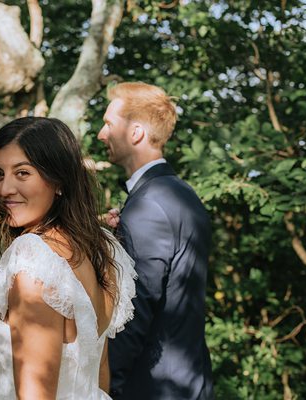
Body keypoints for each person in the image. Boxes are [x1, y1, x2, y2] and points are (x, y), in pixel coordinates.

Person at [0, 117, 137, 399]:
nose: (4, 189)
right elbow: (100, 372)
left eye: (22, 173)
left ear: (59, 181)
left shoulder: (34, 258)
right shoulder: (101, 246)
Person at [97, 82, 214, 399]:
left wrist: (104, 387)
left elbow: (133, 314)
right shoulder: (179, 193)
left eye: (108, 123)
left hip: (152, 387)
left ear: (135, 133)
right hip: (188, 381)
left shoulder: (150, 206)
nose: (101, 134)